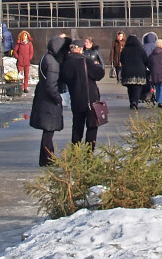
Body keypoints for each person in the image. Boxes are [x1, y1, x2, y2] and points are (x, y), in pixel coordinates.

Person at [30, 35, 68, 166]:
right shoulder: (53, 62)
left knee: (48, 132)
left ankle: (47, 158)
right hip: (49, 103)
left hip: (43, 99)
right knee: (48, 132)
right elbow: (51, 85)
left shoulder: (46, 57)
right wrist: (58, 98)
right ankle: (47, 159)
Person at [62, 40, 106, 151]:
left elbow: (64, 78)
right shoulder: (85, 61)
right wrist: (97, 66)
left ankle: (75, 152)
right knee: (92, 126)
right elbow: (100, 74)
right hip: (89, 98)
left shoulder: (65, 63)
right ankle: (89, 153)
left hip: (75, 99)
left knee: (77, 127)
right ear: (80, 49)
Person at [119, 33, 148, 110]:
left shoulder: (124, 50)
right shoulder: (140, 49)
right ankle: (135, 101)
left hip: (127, 72)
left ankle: (131, 101)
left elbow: (121, 60)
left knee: (130, 88)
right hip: (139, 72)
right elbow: (145, 60)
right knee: (137, 87)